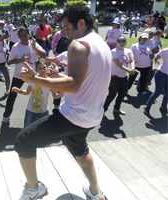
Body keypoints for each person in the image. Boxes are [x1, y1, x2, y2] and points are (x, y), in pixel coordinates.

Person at [14, 3, 110, 200]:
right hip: (92, 116)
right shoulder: (102, 44)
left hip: (74, 115)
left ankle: (34, 189)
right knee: (79, 149)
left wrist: (34, 79)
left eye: (67, 28)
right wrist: (58, 77)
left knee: (23, 142)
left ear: (80, 24)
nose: (65, 33)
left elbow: (74, 85)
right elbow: (84, 81)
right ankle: (96, 192)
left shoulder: (78, 45)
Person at [2, 27, 46, 124]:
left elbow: (44, 55)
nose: (24, 38)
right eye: (21, 36)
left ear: (29, 35)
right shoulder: (16, 47)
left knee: (38, 94)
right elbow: (10, 60)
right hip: (19, 75)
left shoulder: (33, 44)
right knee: (12, 96)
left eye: (25, 35)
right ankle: (6, 115)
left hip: (33, 75)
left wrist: (35, 48)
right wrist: (21, 60)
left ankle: (38, 115)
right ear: (18, 37)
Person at [12, 59, 62, 127]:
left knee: (44, 133)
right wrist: (19, 91)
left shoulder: (51, 81)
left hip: (43, 111)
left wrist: (63, 93)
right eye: (39, 68)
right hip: (30, 110)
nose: (42, 70)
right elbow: (27, 92)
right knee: (27, 130)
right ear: (36, 69)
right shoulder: (33, 79)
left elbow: (55, 95)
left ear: (47, 68)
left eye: (44, 67)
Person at [104, 35, 137, 115]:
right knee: (112, 94)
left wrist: (132, 68)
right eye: (119, 41)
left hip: (124, 77)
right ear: (116, 43)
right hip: (114, 77)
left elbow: (132, 60)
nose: (121, 43)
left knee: (122, 93)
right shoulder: (114, 51)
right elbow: (119, 64)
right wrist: (129, 70)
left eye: (123, 41)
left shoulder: (128, 51)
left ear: (125, 43)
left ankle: (116, 108)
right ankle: (103, 110)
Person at [144, 47, 168, 115]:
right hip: (161, 74)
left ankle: (163, 107)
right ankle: (147, 107)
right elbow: (155, 59)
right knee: (158, 92)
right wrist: (153, 66)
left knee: (167, 93)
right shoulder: (165, 51)